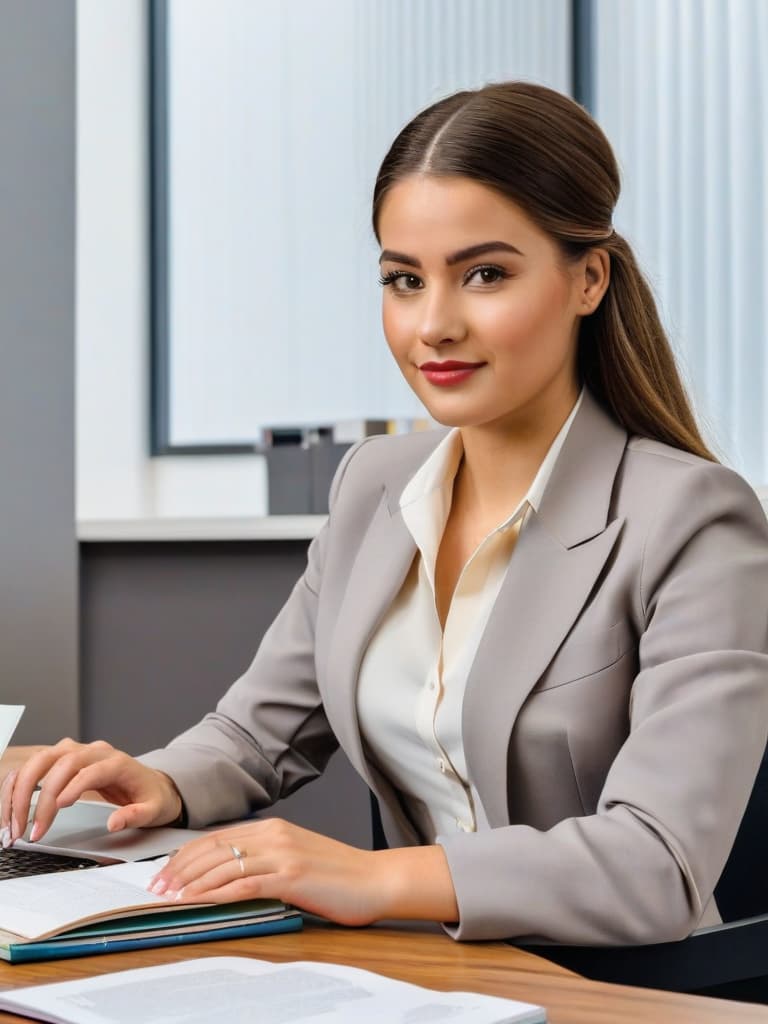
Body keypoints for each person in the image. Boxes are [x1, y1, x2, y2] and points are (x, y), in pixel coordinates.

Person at [4, 82, 768, 945]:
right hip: (426, 980)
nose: (433, 324)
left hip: (618, 989)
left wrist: (373, 877)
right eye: (404, 280)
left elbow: (658, 864)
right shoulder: (375, 484)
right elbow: (258, 734)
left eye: (485, 274)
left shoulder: (696, 522)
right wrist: (159, 782)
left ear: (588, 278)